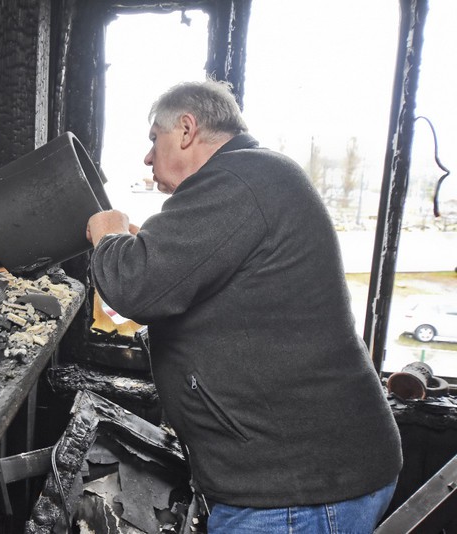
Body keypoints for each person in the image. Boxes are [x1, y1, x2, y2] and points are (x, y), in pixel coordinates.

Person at [85, 80, 402, 533]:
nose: (148, 156)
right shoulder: (252, 178)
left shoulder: (236, 181)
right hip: (299, 476)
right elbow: (177, 279)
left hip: (295, 491)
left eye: (154, 137)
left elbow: (135, 287)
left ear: (187, 129)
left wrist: (110, 234)